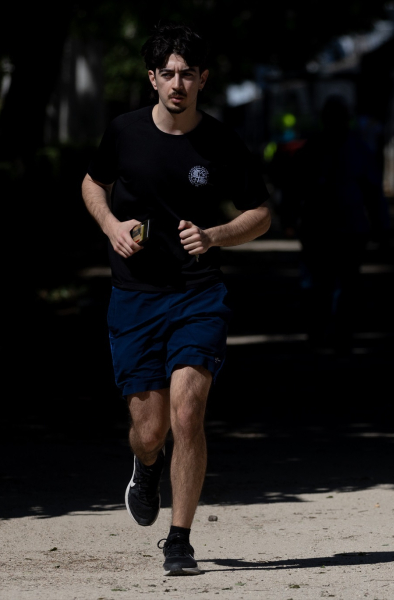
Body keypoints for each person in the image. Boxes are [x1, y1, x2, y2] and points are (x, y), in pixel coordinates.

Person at [80, 21, 271, 576]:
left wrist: (214, 236)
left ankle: (180, 540)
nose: (178, 83)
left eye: (188, 73)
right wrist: (112, 225)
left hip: (198, 292)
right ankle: (146, 466)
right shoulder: (124, 132)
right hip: (135, 296)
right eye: (168, 74)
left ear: (203, 78)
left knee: (189, 413)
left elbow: (260, 213)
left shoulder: (221, 141)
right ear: (152, 78)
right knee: (151, 430)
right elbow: (93, 182)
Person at [279, 94, 389, 352]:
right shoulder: (354, 149)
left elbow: (293, 189)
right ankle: (334, 334)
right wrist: (380, 224)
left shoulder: (315, 148)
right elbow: (373, 192)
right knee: (338, 283)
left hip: (327, 228)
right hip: (340, 229)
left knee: (327, 284)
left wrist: (289, 218)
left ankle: (326, 334)